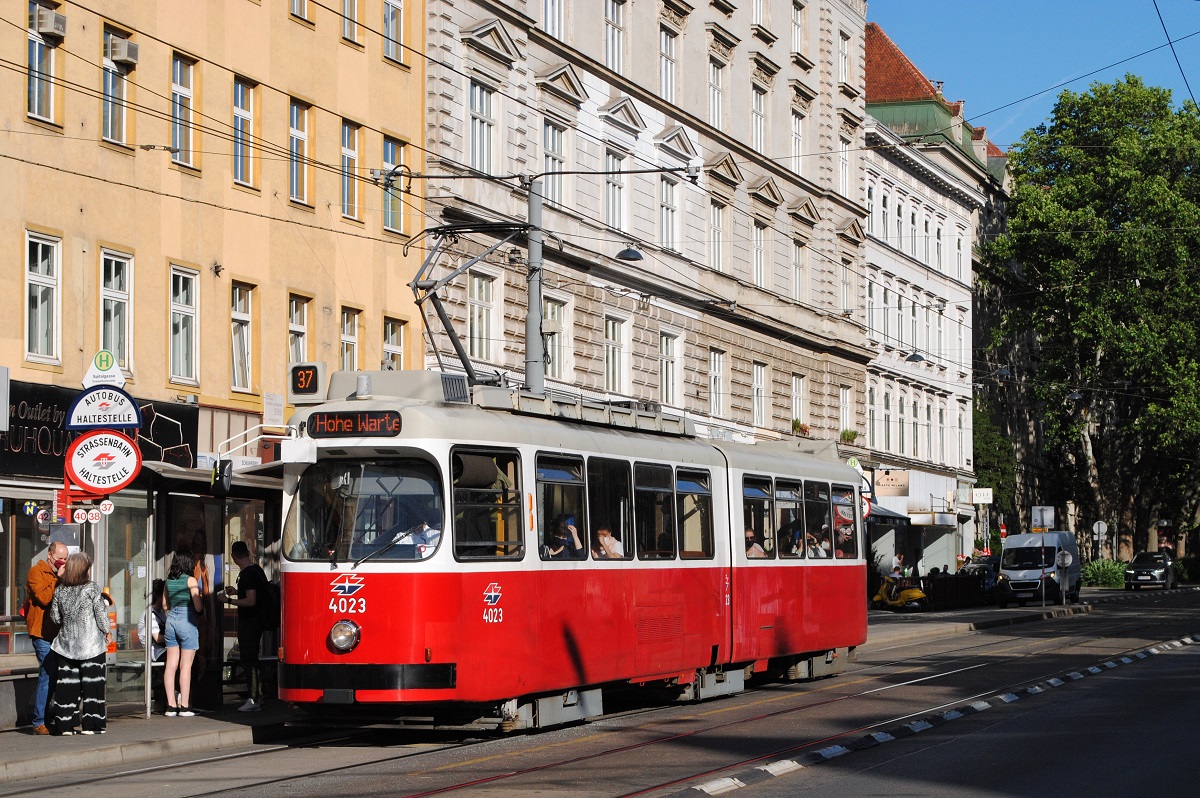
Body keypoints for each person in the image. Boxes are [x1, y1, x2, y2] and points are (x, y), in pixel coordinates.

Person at [47, 552, 110, 735]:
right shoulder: (91, 588)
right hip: (91, 645)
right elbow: (101, 615)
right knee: (93, 686)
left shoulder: (60, 590)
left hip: (66, 646)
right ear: (84, 570)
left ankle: (65, 725)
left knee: (67, 686)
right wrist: (107, 631)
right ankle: (92, 724)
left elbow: (55, 617)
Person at [25, 541, 67, 735]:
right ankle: (38, 721)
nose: (63, 562)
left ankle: (50, 714)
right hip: (41, 633)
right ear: (50, 556)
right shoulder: (36, 572)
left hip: (58, 633)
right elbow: (43, 598)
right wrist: (58, 579)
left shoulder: (62, 574)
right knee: (48, 672)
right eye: (60, 558)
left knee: (57, 674)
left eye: (66, 559)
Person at [223, 541, 270, 712]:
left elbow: (251, 601)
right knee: (253, 659)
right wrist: (237, 592)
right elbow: (253, 593)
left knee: (248, 659)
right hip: (257, 621)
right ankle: (258, 696)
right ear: (248, 552)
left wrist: (229, 600)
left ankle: (253, 698)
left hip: (250, 622)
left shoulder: (247, 574)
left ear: (233, 556)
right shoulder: (256, 570)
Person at [163, 549, 204, 717]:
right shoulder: (190, 580)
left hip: (171, 621)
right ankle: (185, 706)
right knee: (185, 666)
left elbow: (165, 605)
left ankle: (171, 706)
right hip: (186, 620)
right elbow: (198, 607)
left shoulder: (168, 581)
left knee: (170, 665)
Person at [137, 579, 168, 710]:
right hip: (156, 652)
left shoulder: (161, 613)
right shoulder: (149, 614)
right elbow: (158, 638)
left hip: (162, 650)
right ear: (160, 596)